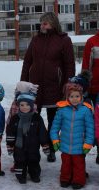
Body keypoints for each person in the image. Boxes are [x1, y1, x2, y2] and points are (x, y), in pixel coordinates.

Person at [20, 12, 75, 162]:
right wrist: (23, 83)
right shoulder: (36, 40)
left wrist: (68, 85)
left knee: (53, 120)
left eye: (45, 23)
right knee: (32, 118)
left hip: (55, 87)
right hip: (35, 87)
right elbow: (27, 62)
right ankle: (33, 148)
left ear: (53, 23)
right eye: (41, 23)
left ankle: (50, 149)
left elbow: (69, 65)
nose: (42, 25)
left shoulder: (64, 40)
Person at [50, 82, 94, 189]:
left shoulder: (85, 110)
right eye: (71, 96)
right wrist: (55, 140)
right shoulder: (62, 110)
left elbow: (90, 128)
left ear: (81, 96)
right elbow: (55, 127)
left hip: (79, 146)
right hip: (65, 145)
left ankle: (78, 180)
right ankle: (65, 179)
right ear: (67, 97)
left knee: (79, 165)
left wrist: (88, 143)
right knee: (66, 164)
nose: (74, 99)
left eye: (77, 96)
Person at [6, 92, 50, 184]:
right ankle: (21, 176)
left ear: (31, 105)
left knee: (34, 160)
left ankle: (35, 174)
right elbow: (10, 132)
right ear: (18, 106)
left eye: (27, 105)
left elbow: (42, 132)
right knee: (19, 161)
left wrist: (45, 145)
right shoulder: (15, 118)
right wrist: (10, 145)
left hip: (33, 146)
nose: (24, 107)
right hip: (19, 146)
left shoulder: (37, 118)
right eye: (22, 105)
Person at [6, 81, 38, 172]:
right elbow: (12, 116)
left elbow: (35, 117)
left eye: (17, 89)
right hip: (16, 129)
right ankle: (18, 163)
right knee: (18, 148)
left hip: (27, 129)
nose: (16, 90)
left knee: (26, 148)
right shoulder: (17, 102)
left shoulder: (30, 102)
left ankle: (27, 163)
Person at [82, 32, 99, 163]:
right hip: (94, 89)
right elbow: (86, 67)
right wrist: (85, 86)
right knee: (92, 122)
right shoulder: (92, 42)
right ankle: (80, 154)